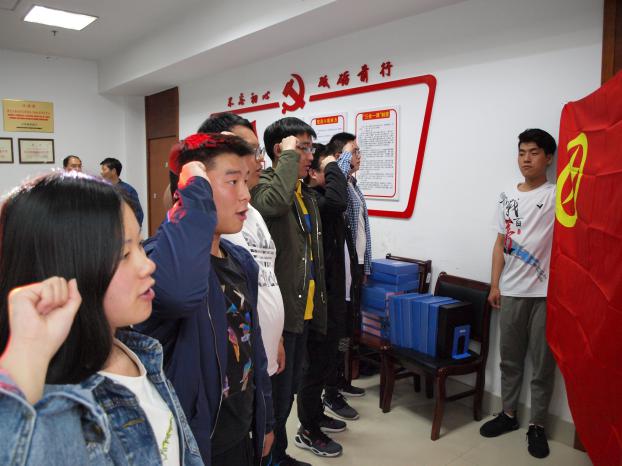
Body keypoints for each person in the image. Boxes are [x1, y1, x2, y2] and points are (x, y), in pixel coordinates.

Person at [0, 171, 202, 466]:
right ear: (68, 267)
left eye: (140, 244)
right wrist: (27, 355)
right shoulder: (53, 405)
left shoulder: (140, 353)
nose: (147, 265)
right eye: (124, 254)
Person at [135, 133, 274, 466]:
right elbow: (179, 294)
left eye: (246, 181)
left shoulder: (240, 261)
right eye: (232, 182)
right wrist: (193, 196)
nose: (246, 195)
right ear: (192, 189)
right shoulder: (158, 262)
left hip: (241, 430)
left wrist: (265, 420)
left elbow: (253, 348)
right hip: (198, 442)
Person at [251, 117, 331, 464]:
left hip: (303, 311)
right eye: (302, 148)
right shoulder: (264, 187)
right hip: (279, 315)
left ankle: (279, 456)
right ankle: (270, 458)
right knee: (276, 399)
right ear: (279, 151)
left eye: (311, 147)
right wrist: (286, 158)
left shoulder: (304, 194)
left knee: (288, 395)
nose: (310, 156)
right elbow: (273, 205)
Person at [480, 128, 558, 459]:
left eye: (534, 153)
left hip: (546, 294)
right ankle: (509, 414)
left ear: (548, 158)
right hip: (511, 291)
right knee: (510, 360)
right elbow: (500, 243)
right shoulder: (506, 196)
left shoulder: (557, 196)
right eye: (522, 152)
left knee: (542, 365)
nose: (526, 159)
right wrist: (495, 284)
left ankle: (537, 425)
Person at [199, 113, 286, 384]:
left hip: (265, 349)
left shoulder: (252, 213)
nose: (259, 159)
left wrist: (276, 336)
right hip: (238, 365)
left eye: (258, 150)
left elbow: (267, 276)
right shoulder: (212, 217)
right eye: (249, 150)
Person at [298, 143, 354, 447]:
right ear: (314, 174)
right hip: (319, 297)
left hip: (334, 292)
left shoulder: (321, 198)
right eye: (326, 169)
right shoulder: (315, 200)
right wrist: (333, 163)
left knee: (327, 359)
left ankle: (316, 415)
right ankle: (307, 428)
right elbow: (338, 200)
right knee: (315, 364)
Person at [100, 157, 144, 228]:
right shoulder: (100, 189)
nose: (101, 172)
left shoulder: (128, 190)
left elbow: (138, 214)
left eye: (104, 169)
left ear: (113, 171)